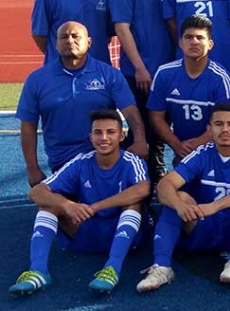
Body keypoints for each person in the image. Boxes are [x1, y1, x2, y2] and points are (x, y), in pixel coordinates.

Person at [8, 109, 150, 296]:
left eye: (110, 132)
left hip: (122, 234)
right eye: (98, 133)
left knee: (133, 204)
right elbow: (36, 192)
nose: (104, 138)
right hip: (86, 231)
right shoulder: (81, 162)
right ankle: (38, 272)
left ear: (121, 136)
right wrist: (68, 205)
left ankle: (112, 269)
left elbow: (143, 189)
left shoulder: (132, 161)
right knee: (48, 205)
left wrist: (97, 206)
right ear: (90, 137)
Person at [136, 103, 230, 292]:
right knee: (178, 197)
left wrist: (214, 206)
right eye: (218, 124)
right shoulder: (201, 153)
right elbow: (166, 185)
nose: (225, 129)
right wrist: (179, 205)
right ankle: (161, 267)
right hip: (204, 223)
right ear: (210, 128)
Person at [18, 21, 148, 187]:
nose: (70, 40)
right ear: (56, 44)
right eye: (64, 37)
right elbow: (28, 125)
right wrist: (32, 169)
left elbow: (130, 110)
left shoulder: (109, 74)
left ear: (89, 42)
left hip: (103, 158)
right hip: (62, 162)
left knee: (131, 196)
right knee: (55, 207)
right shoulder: (37, 80)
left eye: (75, 36)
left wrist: (139, 140)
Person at [111, 0, 176, 183]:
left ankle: (156, 169)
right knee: (143, 130)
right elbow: (122, 28)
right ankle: (132, 178)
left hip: (166, 70)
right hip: (142, 72)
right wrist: (139, 67)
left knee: (162, 125)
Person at [148, 15, 230, 164]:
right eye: (188, 37)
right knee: (169, 186)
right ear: (180, 43)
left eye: (200, 38)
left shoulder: (220, 77)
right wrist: (177, 145)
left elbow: (225, 122)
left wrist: (194, 146)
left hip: (216, 150)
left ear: (210, 44)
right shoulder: (164, 73)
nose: (194, 42)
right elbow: (156, 117)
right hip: (181, 151)